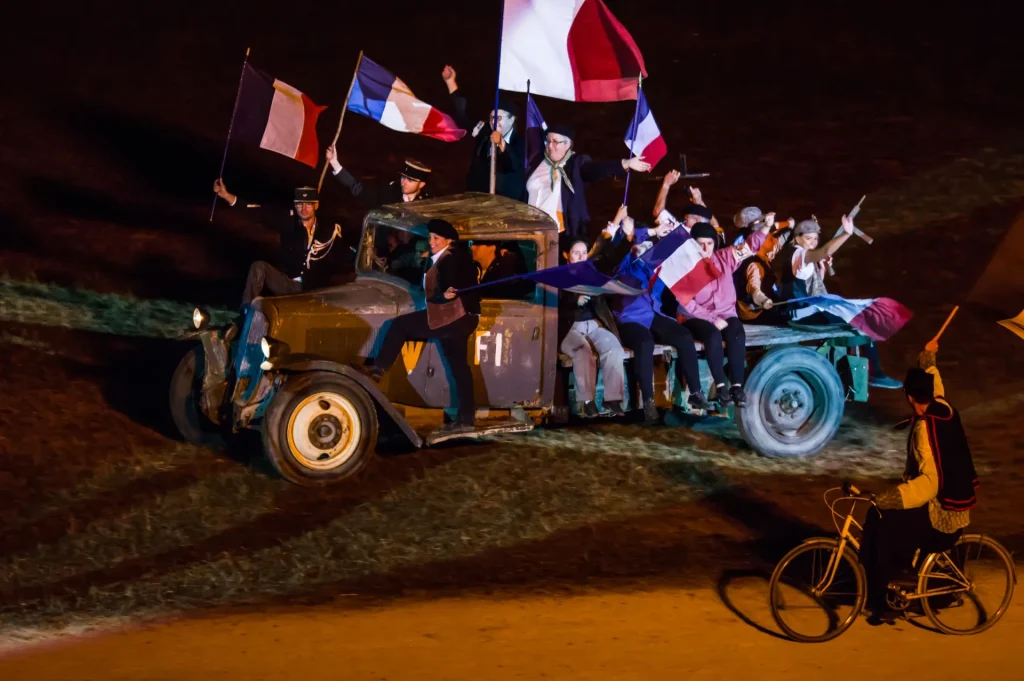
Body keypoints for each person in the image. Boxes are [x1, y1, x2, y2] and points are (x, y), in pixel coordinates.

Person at [860, 339, 978, 623]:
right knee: (881, 517)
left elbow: (929, 483)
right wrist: (928, 357)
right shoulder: (941, 406)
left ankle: (890, 592)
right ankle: (878, 583)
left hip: (941, 512)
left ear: (910, 397)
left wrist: (893, 497)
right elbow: (936, 385)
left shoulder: (926, 430)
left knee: (886, 522)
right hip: (952, 503)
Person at [357, 219, 480, 434]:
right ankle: (466, 417)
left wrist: (447, 293)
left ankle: (379, 368)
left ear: (448, 241)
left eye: (436, 238)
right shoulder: (445, 257)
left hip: (451, 319)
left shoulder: (451, 259)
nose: (431, 242)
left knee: (400, 325)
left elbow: (454, 281)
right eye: (430, 237)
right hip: (456, 319)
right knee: (460, 368)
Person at [611, 210, 714, 424]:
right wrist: (638, 235)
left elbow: (675, 246)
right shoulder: (624, 262)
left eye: (648, 245)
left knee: (684, 336)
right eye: (641, 244)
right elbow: (620, 256)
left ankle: (695, 392)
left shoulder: (655, 263)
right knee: (645, 343)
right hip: (631, 317)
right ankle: (648, 401)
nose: (646, 248)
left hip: (653, 313)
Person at [781, 217, 902, 388]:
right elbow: (823, 252)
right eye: (808, 238)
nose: (813, 243)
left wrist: (821, 268)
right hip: (803, 315)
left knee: (858, 315)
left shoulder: (802, 257)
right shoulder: (799, 253)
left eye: (815, 239)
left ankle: (860, 372)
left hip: (808, 311)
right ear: (798, 237)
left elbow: (811, 287)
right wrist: (846, 234)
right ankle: (875, 374)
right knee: (862, 320)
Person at [679, 219, 772, 406]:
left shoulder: (724, 257)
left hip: (726, 312)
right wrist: (712, 318)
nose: (705, 247)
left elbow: (749, 247)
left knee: (737, 332)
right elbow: (686, 303)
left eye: (710, 243)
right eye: (700, 243)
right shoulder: (684, 267)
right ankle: (721, 388)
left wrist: (766, 227)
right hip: (695, 316)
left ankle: (737, 387)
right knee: (712, 335)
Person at [212, 180, 348, 306]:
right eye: (299, 204)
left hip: (313, 290)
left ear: (316, 205)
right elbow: (257, 212)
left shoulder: (329, 229)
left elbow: (343, 254)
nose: (303, 208)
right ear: (295, 205)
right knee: (259, 267)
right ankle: (247, 311)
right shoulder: (287, 220)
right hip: (286, 283)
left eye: (308, 204)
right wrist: (227, 196)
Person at [526, 125, 651, 245]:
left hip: (559, 235)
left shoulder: (576, 165)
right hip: (527, 232)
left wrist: (625, 163)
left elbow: (596, 170)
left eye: (555, 142)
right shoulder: (536, 163)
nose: (550, 146)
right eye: (548, 141)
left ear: (567, 145)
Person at [559, 217, 629, 418]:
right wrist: (575, 301)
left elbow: (611, 258)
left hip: (593, 324)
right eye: (575, 253)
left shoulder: (591, 271)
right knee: (583, 351)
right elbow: (556, 307)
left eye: (583, 253)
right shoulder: (559, 275)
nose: (580, 257)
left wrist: (626, 237)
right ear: (566, 255)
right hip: (569, 327)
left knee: (613, 347)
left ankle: (612, 399)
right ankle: (588, 401)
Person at [441, 65, 525, 200]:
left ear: (512, 120)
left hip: (506, 204)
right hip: (477, 199)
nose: (493, 122)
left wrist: (501, 144)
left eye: (498, 118)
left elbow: (514, 165)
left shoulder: (522, 144)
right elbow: (464, 116)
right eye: (491, 118)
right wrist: (451, 82)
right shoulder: (485, 133)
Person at [326, 144, 430, 208]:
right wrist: (335, 163)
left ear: (421, 184)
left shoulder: (429, 203)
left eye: (410, 180)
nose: (404, 182)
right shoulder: (388, 192)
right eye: (403, 177)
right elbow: (357, 188)